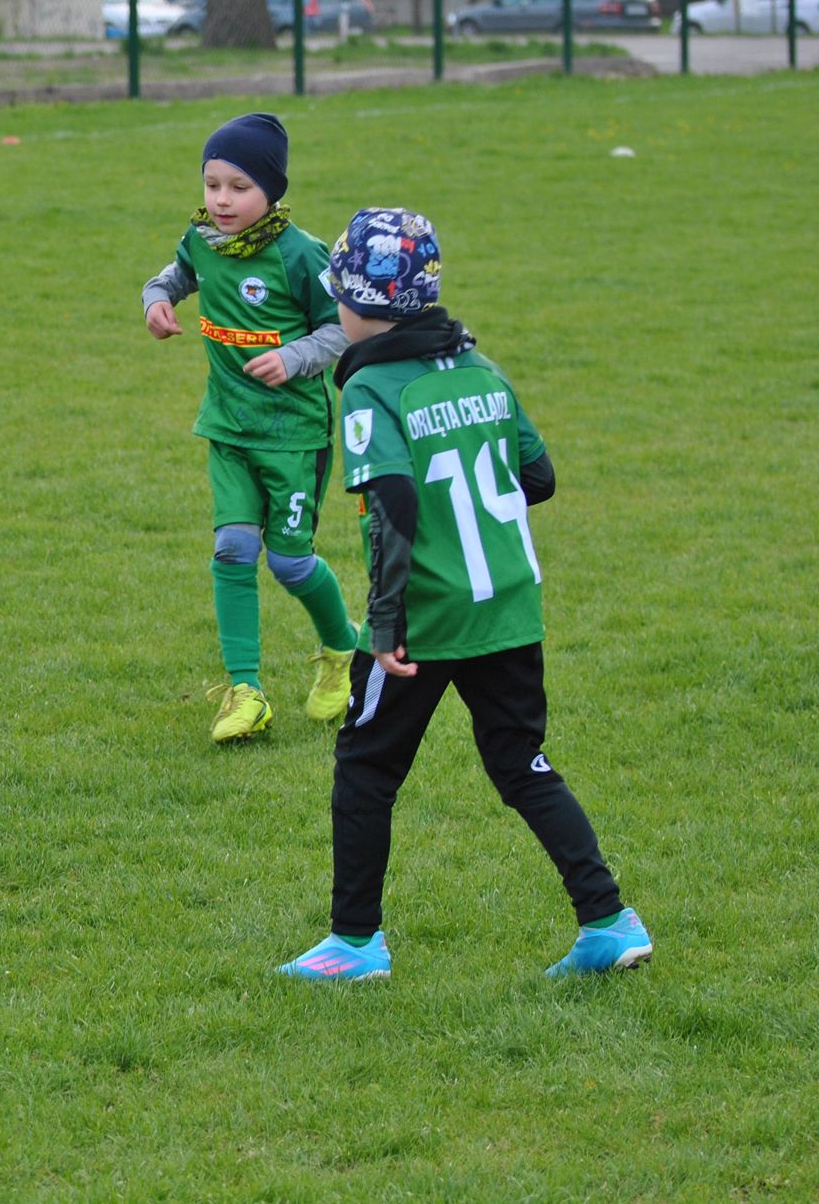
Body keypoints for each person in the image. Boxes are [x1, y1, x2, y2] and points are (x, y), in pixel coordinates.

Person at [278, 208, 651, 981]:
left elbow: (392, 505)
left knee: (365, 769)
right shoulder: (482, 370)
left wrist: (382, 623)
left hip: (424, 616)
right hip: (511, 604)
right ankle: (608, 919)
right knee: (522, 764)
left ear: (363, 306)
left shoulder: (375, 388)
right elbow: (538, 476)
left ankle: (354, 944)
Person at [142, 112, 360, 743]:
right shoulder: (202, 239)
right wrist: (156, 302)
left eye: (238, 187)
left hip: (294, 436)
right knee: (233, 549)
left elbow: (342, 329)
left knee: (290, 565)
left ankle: (342, 653)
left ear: (271, 190)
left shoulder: (300, 253)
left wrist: (293, 358)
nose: (221, 200)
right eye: (213, 185)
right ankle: (246, 691)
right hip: (229, 430)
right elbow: (172, 276)